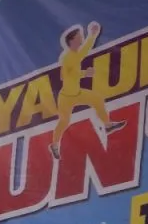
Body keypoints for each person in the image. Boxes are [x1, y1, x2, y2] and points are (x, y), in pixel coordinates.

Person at [50, 21, 124, 159]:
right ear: (72, 41)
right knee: (64, 121)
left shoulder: (75, 54)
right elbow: (64, 76)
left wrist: (93, 35)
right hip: (66, 98)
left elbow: (84, 50)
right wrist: (84, 73)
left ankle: (107, 125)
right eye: (79, 36)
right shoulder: (67, 57)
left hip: (77, 93)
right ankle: (54, 145)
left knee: (97, 99)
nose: (81, 38)